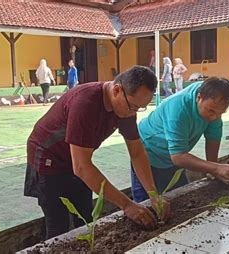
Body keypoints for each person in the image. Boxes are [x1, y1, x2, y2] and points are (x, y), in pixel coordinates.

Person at [24, 66, 170, 239]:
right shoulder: (86, 103)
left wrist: (153, 195)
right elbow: (81, 166)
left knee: (86, 219)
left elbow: (137, 152)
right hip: (48, 159)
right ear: (117, 90)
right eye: (133, 106)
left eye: (140, 108)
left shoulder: (125, 109)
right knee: (58, 227)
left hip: (75, 161)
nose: (134, 113)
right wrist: (127, 205)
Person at [131, 77, 229, 202]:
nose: (214, 117)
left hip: (173, 158)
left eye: (220, 113)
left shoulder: (213, 105)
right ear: (199, 97)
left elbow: (213, 137)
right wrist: (216, 168)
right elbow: (178, 156)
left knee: (180, 199)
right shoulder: (178, 109)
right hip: (149, 152)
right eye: (211, 111)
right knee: (147, 204)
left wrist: (214, 168)